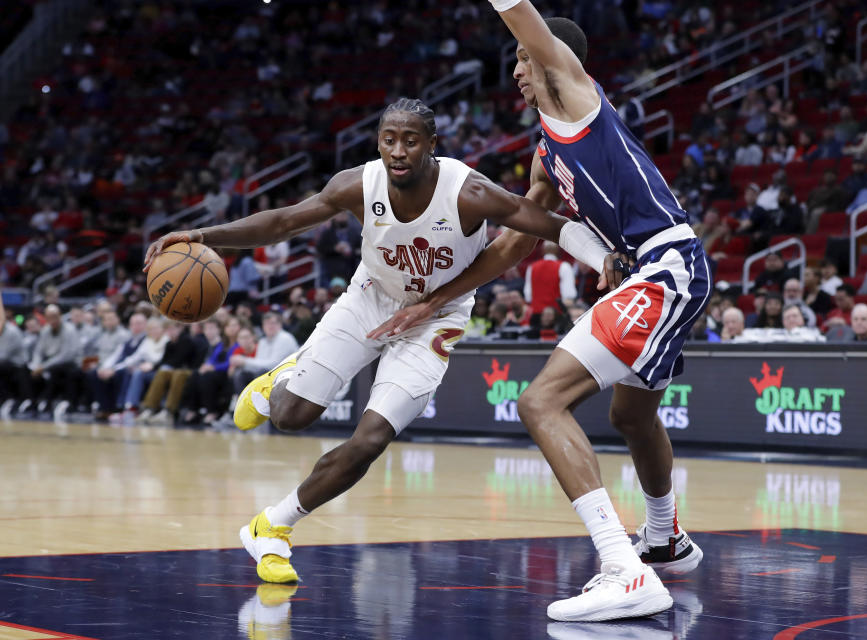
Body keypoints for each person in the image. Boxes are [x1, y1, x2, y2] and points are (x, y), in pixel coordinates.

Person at [143, 98, 626, 596]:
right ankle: (280, 380)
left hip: (437, 318)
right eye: (389, 139)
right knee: (290, 417)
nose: (398, 150)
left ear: (432, 146)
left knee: (370, 441)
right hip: (371, 298)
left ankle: (273, 526)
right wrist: (202, 234)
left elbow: (548, 224)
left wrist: (602, 256)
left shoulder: (469, 192)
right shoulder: (357, 183)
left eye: (411, 140)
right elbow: (283, 221)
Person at [372, 8, 706, 621]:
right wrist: (432, 299)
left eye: (525, 59)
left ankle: (623, 570)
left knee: (539, 402)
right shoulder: (547, 154)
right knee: (631, 413)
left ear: (552, 61)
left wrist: (528, 34)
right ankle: (664, 541)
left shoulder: (576, 99)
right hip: (650, 274)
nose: (518, 71)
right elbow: (518, 241)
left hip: (666, 266)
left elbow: (526, 22)